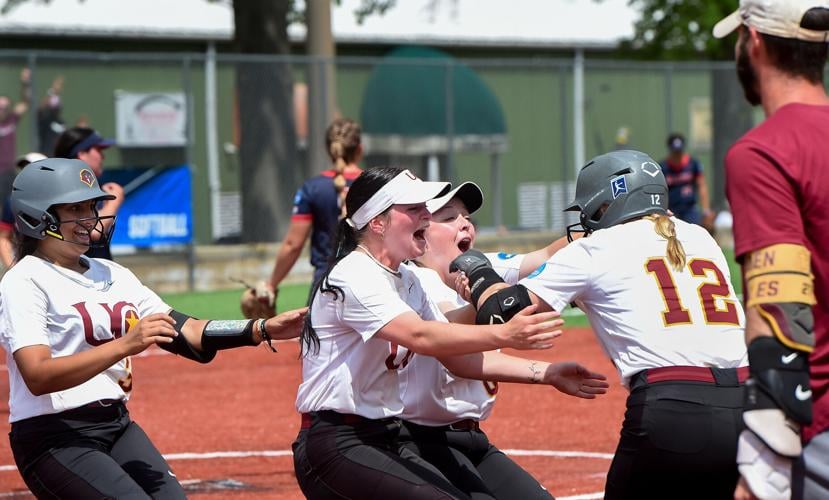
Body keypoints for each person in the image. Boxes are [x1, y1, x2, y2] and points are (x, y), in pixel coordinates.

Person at [0, 157, 307, 498]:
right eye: (76, 209)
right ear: (38, 216)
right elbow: (38, 375)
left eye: (91, 206)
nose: (90, 218)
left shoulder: (112, 273)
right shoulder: (25, 281)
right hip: (54, 437)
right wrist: (124, 345)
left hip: (116, 425)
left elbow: (188, 331)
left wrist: (262, 328)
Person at [452, 150, 748, 499]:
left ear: (614, 199)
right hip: (745, 400)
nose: (589, 220)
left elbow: (501, 314)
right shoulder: (702, 238)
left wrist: (478, 273)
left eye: (595, 209)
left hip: (671, 406)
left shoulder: (597, 248)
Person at [294, 166, 562, 499]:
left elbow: (454, 359)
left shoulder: (407, 280)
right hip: (336, 444)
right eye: (413, 208)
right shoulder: (355, 274)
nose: (425, 214)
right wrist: (505, 334)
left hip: (382, 437)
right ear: (377, 222)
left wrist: (549, 373)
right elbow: (421, 337)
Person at [396, 181, 608, 500]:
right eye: (450, 217)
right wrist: (482, 302)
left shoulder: (484, 266)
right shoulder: (413, 279)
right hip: (418, 440)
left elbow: (549, 255)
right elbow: (445, 334)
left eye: (467, 217)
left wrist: (614, 226)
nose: (465, 223)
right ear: (421, 231)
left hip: (472, 440)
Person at [712, 2, 829, 499]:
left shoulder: (763, 153)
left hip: (820, 423)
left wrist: (762, 468)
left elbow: (781, 314)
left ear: (753, 41)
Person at [251, 118, 363, 318]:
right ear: (359, 149)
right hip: (368, 282)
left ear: (328, 150)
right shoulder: (373, 184)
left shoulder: (313, 188)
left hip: (326, 283)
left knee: (316, 347)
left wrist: (272, 284)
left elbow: (293, 244)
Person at [53, 126, 122, 261]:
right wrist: (114, 203)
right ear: (82, 154)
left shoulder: (87, 186)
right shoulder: (65, 187)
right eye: (98, 149)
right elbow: (93, 231)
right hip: (75, 274)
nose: (103, 156)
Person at [0, 152, 47, 269]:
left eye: (31, 169)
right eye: (23, 169)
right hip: (23, 265)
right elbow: (4, 238)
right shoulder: (12, 201)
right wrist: (13, 269)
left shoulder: (58, 202)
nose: (25, 173)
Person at [658, 132, 713, 230]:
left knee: (693, 234)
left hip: (689, 209)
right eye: (675, 152)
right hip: (671, 209)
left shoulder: (693, 164)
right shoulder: (663, 167)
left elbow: (702, 185)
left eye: (679, 151)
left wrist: (706, 210)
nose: (677, 155)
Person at [0, 67, 31, 206]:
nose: (2, 110)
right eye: (0, 107)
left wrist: (25, 83)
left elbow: (25, 103)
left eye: (5, 107)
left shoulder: (12, 119)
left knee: (11, 203)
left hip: (9, 171)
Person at [37, 75, 65, 155]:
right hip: (46, 157)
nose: (55, 110)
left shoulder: (62, 122)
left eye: (57, 107)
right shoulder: (44, 120)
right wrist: (53, 91)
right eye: (53, 107)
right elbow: (40, 109)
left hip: (59, 158)